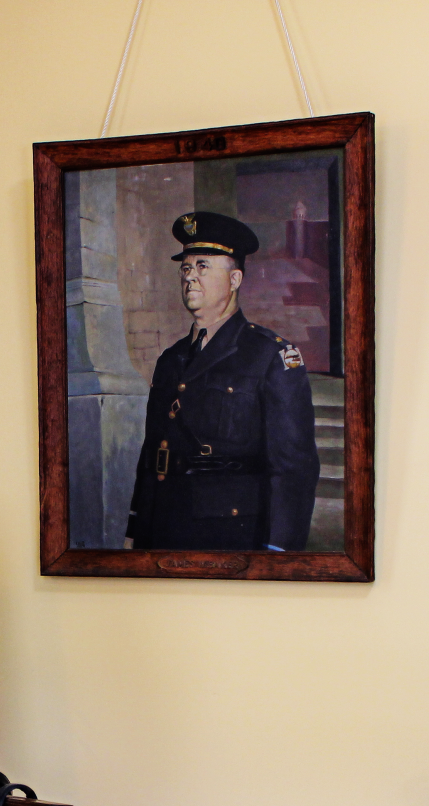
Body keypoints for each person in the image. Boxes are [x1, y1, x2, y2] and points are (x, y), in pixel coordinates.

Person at [125, 211, 319, 552]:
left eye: (203, 266)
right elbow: (154, 452)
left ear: (235, 279)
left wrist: (279, 552)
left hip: (230, 535)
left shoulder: (270, 356)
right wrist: (136, 528)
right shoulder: (171, 360)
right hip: (162, 529)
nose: (190, 278)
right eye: (186, 268)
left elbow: (293, 469)